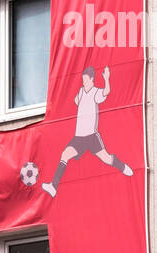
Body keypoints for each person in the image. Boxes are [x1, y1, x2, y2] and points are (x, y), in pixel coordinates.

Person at [41, 65, 133, 197]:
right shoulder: (81, 91)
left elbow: (106, 92)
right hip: (79, 137)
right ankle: (53, 186)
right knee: (65, 154)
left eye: (85, 80)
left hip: (91, 136)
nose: (83, 83)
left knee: (106, 158)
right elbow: (76, 101)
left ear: (92, 80)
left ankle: (122, 167)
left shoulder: (96, 92)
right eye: (82, 80)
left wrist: (106, 78)